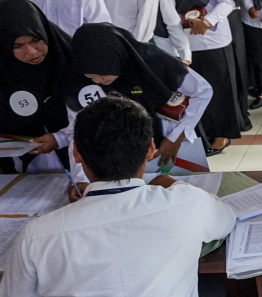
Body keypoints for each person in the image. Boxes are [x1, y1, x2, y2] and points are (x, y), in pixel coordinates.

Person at [0, 94, 252, 297]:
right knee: (210, 287)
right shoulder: (185, 202)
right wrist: (170, 185)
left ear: (76, 154)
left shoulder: (38, 233)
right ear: (150, 148)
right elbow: (224, 221)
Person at [68, 24, 211, 182]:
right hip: (124, 154)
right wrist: (80, 178)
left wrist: (175, 138)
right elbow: (81, 126)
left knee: (183, 192)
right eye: (90, 76)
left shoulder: (156, 61)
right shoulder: (89, 84)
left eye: (102, 73)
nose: (97, 81)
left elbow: (203, 90)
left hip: (171, 144)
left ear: (117, 56)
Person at [164, 0, 243, 154]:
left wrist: (207, 21)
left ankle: (222, 134)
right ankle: (200, 136)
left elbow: (228, 0)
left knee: (217, 90)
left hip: (211, 40)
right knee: (192, 93)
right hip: (182, 42)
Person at [0, 0, 81, 174]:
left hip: (81, 163)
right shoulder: (4, 74)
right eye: (18, 46)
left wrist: (58, 139)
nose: (31, 52)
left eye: (36, 39)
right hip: (24, 172)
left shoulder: (73, 62)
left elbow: (94, 116)